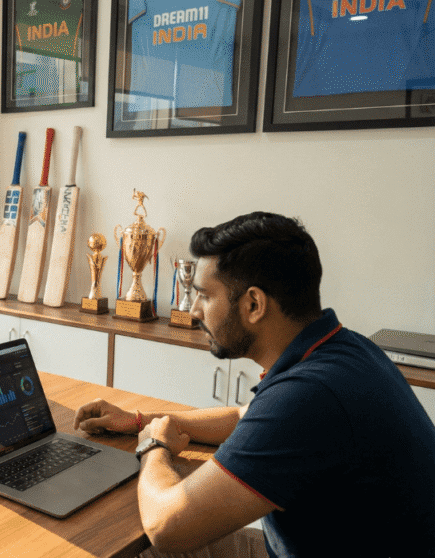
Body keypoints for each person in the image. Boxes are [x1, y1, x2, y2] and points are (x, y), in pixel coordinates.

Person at [73, 211, 435, 557]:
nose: (195, 309)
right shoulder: (346, 349)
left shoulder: (307, 397)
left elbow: (166, 527)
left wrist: (153, 446)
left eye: (204, 294)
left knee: (127, 547)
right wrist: (140, 419)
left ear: (254, 304)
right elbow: (244, 417)